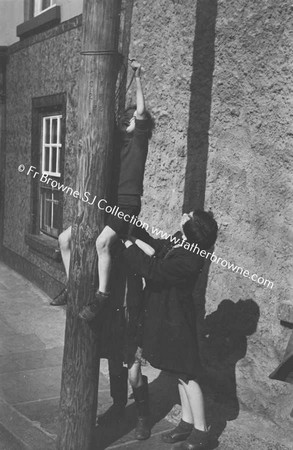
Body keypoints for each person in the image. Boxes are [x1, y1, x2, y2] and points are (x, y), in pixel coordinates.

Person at [122, 210, 218, 450]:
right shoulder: (180, 240)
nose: (184, 215)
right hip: (168, 318)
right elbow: (156, 246)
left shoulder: (190, 259)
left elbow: (154, 270)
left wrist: (127, 246)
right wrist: (133, 227)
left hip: (177, 322)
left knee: (188, 375)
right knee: (178, 372)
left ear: (192, 229)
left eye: (189, 216)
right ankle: (187, 423)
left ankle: (202, 431)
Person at [50, 226, 153, 440]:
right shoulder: (102, 233)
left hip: (132, 311)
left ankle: (144, 416)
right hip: (112, 310)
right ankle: (118, 405)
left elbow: (152, 252)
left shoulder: (132, 230)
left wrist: (129, 237)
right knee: (115, 360)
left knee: (133, 372)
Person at [79, 59, 154, 321]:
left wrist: (138, 76)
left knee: (102, 242)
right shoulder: (120, 141)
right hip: (113, 202)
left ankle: (102, 297)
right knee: (89, 241)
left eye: (135, 118)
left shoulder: (140, 140)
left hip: (128, 203)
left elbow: (142, 111)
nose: (132, 119)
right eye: (129, 118)